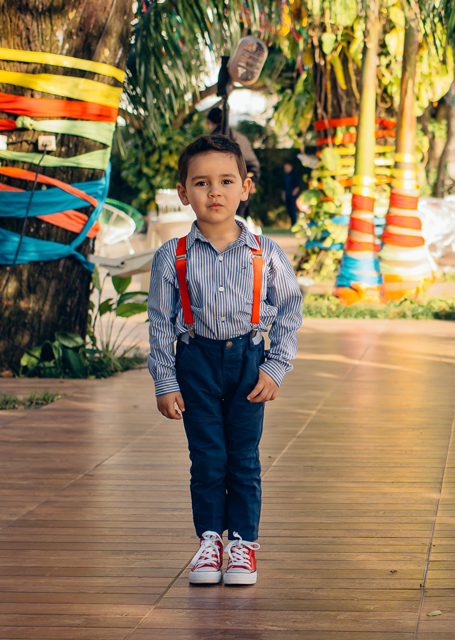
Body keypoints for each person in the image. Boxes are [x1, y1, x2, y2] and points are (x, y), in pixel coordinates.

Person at [147, 135, 303, 584]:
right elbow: (159, 323)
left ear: (245, 188)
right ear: (184, 193)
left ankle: (242, 546)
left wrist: (275, 367)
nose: (214, 192)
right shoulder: (169, 257)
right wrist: (165, 381)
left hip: (249, 364)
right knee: (208, 457)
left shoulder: (266, 252)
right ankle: (211, 541)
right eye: (201, 183)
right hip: (194, 362)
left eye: (226, 181)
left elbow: (290, 310)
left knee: (244, 458)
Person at [205, 107, 260, 218]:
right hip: (241, 188)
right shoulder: (242, 138)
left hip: (218, 190)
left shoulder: (211, 140)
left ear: (210, 122)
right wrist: (252, 180)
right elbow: (254, 165)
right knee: (240, 221)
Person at [281, 160, 301, 227]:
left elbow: (298, 185)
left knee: (293, 209)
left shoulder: (294, 174)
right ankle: (292, 224)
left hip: (293, 195)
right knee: (289, 209)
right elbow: (283, 186)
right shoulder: (285, 175)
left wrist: (294, 193)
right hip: (287, 194)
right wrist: (284, 194)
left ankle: (294, 225)